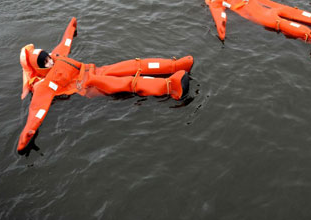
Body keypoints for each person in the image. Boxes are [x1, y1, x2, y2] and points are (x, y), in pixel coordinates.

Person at [17, 17, 193, 152]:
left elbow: (66, 43)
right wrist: (27, 135)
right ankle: (170, 87)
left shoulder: (57, 57)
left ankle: (175, 65)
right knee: (127, 83)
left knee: (134, 64)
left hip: (96, 70)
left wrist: (71, 26)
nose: (49, 61)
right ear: (38, 68)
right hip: (89, 86)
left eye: (47, 56)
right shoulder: (44, 86)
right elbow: (37, 111)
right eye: (44, 62)